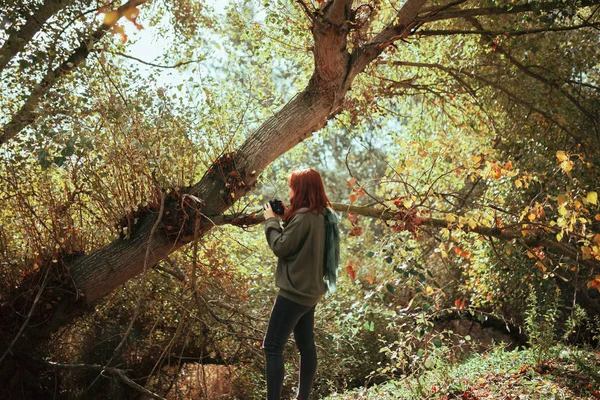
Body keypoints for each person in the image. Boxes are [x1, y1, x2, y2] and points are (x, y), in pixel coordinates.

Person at [262, 168, 337, 400]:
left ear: (301, 189)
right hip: (310, 294)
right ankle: (302, 398)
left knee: (272, 347)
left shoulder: (304, 218)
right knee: (306, 346)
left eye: (292, 186)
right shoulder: (322, 215)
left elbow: (281, 247)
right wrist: (286, 217)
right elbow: (302, 236)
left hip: (293, 294)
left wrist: (271, 222)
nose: (290, 191)